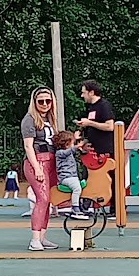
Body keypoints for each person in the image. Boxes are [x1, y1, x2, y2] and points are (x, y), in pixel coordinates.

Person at [21, 86, 58, 251]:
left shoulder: (50, 119)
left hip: (51, 161)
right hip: (37, 161)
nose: (44, 104)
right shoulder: (29, 119)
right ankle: (35, 238)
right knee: (42, 199)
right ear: (34, 102)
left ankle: (42, 237)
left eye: (48, 101)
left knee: (48, 200)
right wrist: (37, 168)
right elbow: (28, 146)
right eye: (41, 101)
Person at [77, 80, 116, 217]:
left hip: (106, 148)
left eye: (84, 92)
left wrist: (89, 123)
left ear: (91, 92)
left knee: (109, 177)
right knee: (88, 176)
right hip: (93, 148)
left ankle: (115, 209)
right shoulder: (90, 108)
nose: (82, 96)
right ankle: (86, 205)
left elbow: (110, 126)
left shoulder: (104, 106)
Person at [53, 130, 88, 219]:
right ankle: (75, 208)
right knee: (77, 188)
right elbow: (69, 151)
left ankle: (80, 206)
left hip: (72, 177)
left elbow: (71, 150)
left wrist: (77, 143)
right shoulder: (60, 153)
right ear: (67, 144)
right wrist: (77, 146)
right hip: (66, 177)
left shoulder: (67, 151)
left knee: (80, 188)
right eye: (72, 143)